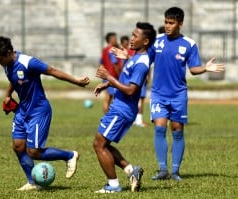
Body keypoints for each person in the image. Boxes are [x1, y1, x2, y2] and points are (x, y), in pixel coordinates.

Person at [0, 35, 90, 191]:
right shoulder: (7, 65)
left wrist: (77, 81)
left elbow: (52, 71)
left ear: (8, 52)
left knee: (33, 151)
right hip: (22, 111)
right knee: (18, 146)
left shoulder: (28, 62)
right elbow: (13, 80)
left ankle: (69, 155)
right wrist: (8, 95)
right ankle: (32, 182)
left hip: (38, 111)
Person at [148, 7, 225, 181]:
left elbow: (194, 69)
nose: (167, 26)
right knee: (159, 127)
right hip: (158, 93)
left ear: (180, 24)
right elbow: (145, 59)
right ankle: (162, 170)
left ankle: (175, 171)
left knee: (177, 130)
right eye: (166, 22)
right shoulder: (156, 41)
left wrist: (205, 68)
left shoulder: (189, 44)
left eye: (171, 23)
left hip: (178, 94)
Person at [93, 22, 156, 193]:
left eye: (136, 36)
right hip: (119, 107)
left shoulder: (142, 63)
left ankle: (113, 186)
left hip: (122, 109)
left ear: (146, 41)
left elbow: (131, 90)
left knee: (99, 144)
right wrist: (107, 84)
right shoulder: (135, 56)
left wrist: (108, 77)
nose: (132, 38)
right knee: (103, 143)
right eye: (132, 34)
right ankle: (130, 171)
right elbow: (126, 78)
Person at [120, 35, 148, 127]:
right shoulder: (136, 53)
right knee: (140, 100)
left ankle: (134, 120)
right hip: (136, 79)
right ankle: (138, 121)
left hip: (130, 79)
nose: (130, 42)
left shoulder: (130, 53)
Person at [100, 32, 122, 113]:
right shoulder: (112, 50)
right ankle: (106, 116)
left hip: (106, 76)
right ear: (110, 40)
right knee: (110, 97)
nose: (116, 40)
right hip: (111, 76)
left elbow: (101, 63)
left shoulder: (104, 50)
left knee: (108, 97)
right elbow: (115, 64)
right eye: (115, 39)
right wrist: (120, 77)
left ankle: (106, 116)